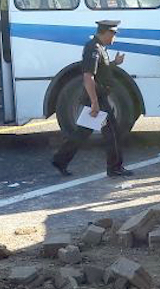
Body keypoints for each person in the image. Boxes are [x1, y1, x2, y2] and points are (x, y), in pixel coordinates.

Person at [52, 20, 132, 177]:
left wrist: (115, 62)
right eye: (113, 34)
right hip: (97, 98)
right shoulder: (93, 48)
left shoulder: (100, 48)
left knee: (83, 132)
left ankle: (60, 160)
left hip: (98, 97)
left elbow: (102, 69)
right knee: (112, 132)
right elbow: (88, 76)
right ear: (106, 32)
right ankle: (115, 168)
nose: (114, 38)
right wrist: (95, 102)